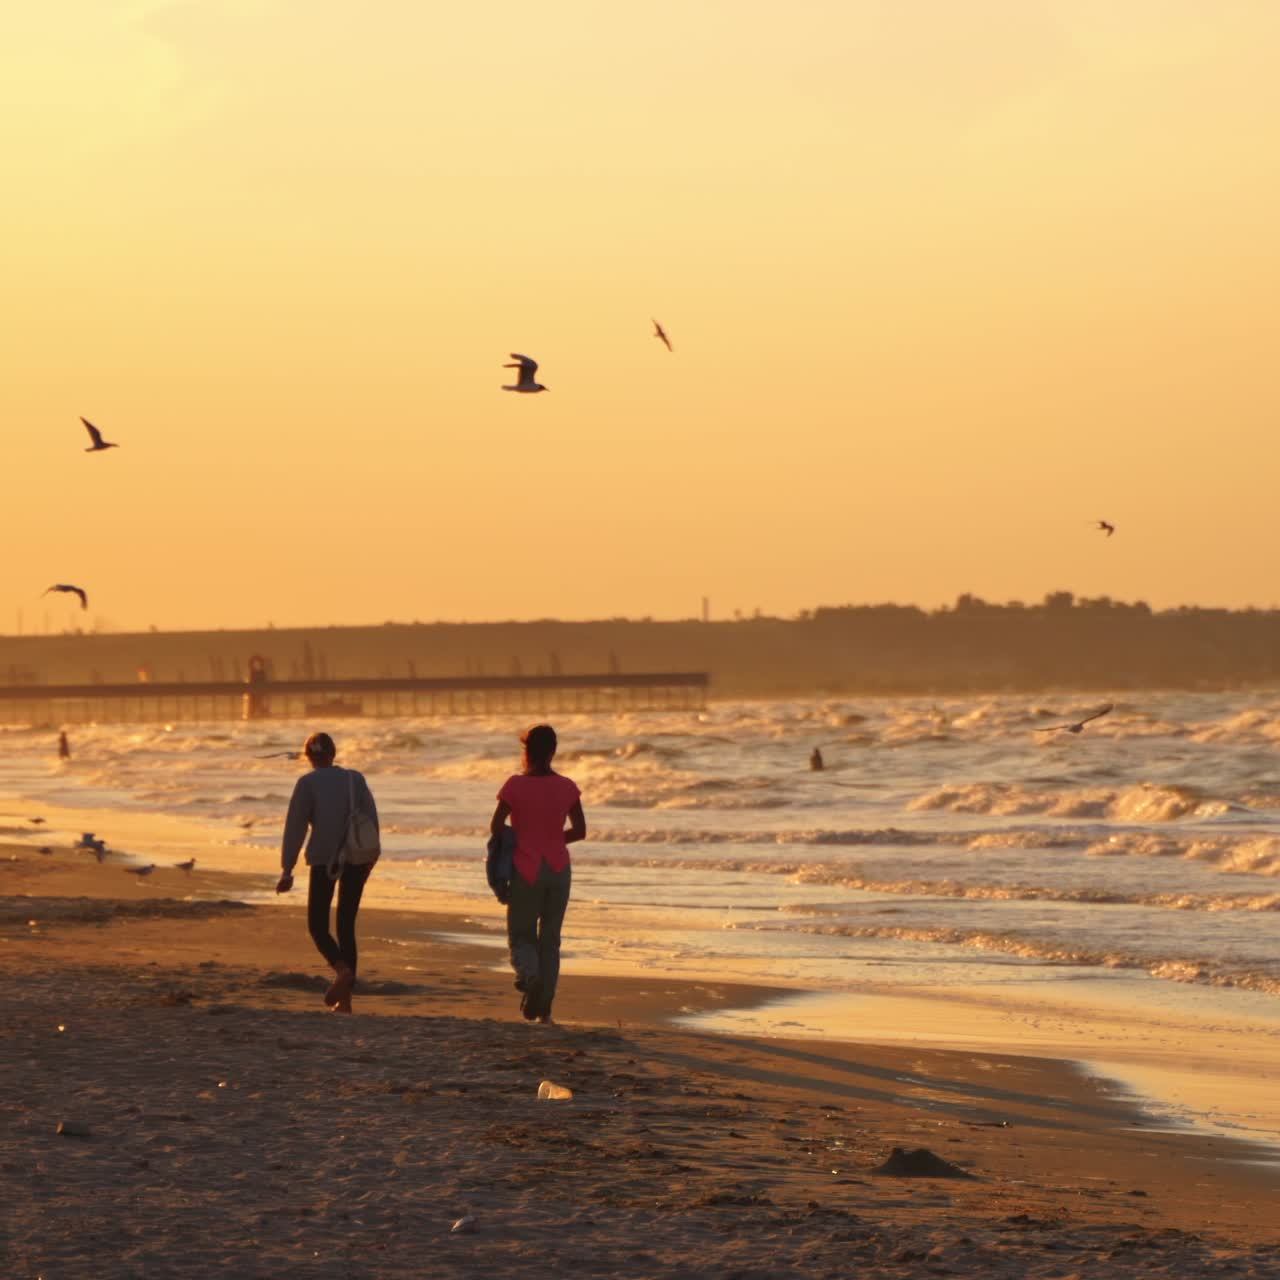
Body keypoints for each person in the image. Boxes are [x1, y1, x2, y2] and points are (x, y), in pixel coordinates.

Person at [276, 732, 379, 1014]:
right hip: (356, 858)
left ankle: (341, 969)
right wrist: (371, 858)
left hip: (323, 859)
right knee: (346, 925)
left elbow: (295, 827)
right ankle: (345, 1000)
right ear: (333, 754)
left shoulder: (307, 783)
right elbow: (370, 819)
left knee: (318, 926)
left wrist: (287, 868)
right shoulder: (354, 779)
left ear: (309, 758)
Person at [489, 724, 585, 1024]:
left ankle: (530, 977)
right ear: (553, 751)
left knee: (521, 934)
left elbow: (496, 826)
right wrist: (553, 839)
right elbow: (580, 831)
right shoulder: (567, 786)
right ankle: (544, 1011)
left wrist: (518, 839)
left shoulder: (514, 786)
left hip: (525, 867)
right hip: (558, 868)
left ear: (526, 751)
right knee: (551, 940)